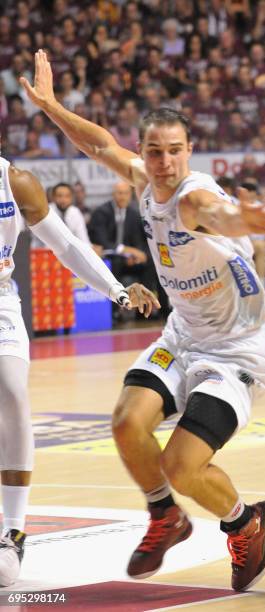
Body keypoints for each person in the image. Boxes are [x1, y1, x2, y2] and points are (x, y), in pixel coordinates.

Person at [22, 50, 265, 591]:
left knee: (182, 466)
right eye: (154, 152)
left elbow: (216, 212)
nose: (164, 163)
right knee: (125, 423)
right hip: (184, 335)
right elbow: (98, 144)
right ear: (144, 152)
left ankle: (245, 523)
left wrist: (244, 219)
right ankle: (166, 517)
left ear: (191, 152)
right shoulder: (145, 179)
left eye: (175, 152)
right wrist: (50, 106)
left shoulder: (194, 196)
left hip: (236, 350)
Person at [0, 150, 157, 587]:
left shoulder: (17, 182)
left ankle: (11, 533)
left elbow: (66, 245)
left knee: (12, 392)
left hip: (1, 302)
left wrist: (117, 290)